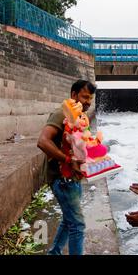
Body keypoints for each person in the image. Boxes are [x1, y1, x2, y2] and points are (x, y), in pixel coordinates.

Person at [37, 79, 97, 255]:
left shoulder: (80, 117)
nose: (88, 102)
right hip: (62, 178)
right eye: (85, 97)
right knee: (78, 225)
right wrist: (68, 160)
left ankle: (54, 252)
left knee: (69, 220)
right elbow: (42, 141)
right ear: (73, 95)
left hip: (74, 177)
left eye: (90, 99)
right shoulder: (60, 114)